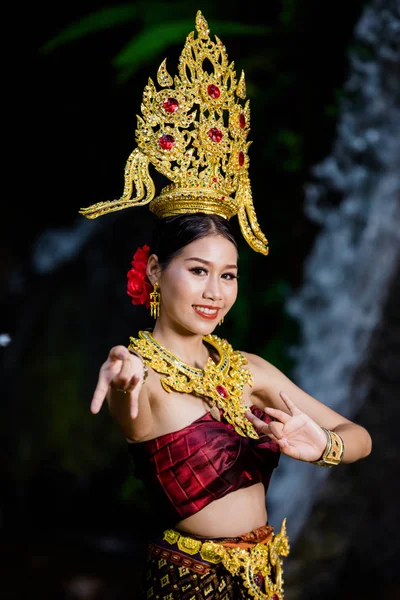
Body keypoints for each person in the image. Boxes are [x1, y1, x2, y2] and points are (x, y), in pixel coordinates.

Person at [79, 11, 372, 599]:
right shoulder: (145, 381)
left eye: (229, 274)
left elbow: (358, 434)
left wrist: (325, 445)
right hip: (190, 584)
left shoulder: (248, 370)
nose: (216, 291)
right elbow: (130, 404)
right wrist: (120, 375)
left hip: (264, 578)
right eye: (198, 271)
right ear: (157, 271)